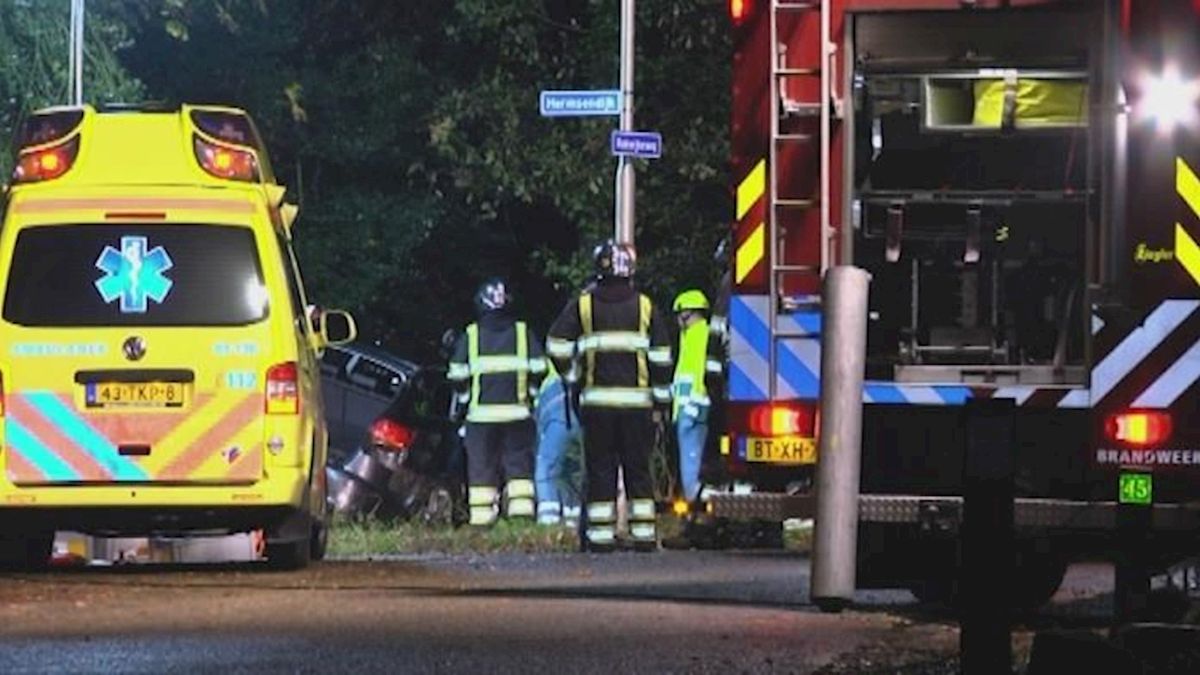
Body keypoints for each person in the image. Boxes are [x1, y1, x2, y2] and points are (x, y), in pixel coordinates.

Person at [546, 241, 672, 552]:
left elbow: (557, 346)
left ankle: (600, 538)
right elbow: (661, 358)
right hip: (637, 407)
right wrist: (661, 403)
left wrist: (574, 377)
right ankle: (644, 536)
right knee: (638, 470)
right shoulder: (646, 307)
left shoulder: (583, 305)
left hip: (597, 405)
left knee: (600, 469)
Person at [447, 279, 547, 527]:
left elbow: (457, 374)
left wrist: (465, 400)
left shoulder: (471, 335)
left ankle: (482, 521)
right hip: (518, 416)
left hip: (480, 419)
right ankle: (521, 518)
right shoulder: (523, 333)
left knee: (481, 469)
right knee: (519, 468)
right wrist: (530, 395)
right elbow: (540, 368)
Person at [671, 289, 725, 504]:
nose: (677, 320)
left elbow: (696, 375)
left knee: (691, 459)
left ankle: (695, 500)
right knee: (693, 457)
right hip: (694, 407)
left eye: (679, 315)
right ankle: (695, 497)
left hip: (692, 409)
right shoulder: (695, 335)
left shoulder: (697, 336)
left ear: (687, 314)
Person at [533, 369, 583, 526]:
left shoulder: (546, 376)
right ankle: (573, 516)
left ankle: (549, 519)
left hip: (556, 418)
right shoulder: (575, 370)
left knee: (546, 468)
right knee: (573, 470)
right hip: (579, 419)